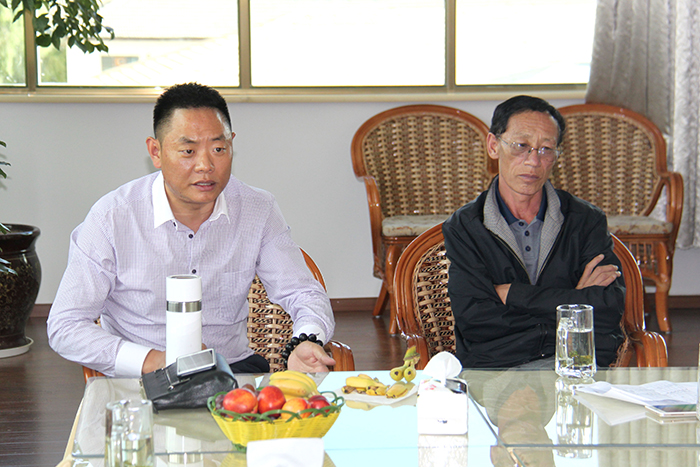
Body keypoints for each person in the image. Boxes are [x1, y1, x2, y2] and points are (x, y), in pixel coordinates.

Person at [47, 82, 335, 377]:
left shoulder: (258, 209)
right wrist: (155, 360)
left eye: (219, 149)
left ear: (232, 144)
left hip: (231, 372)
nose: (205, 165)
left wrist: (307, 339)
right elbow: (65, 326)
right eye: (188, 150)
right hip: (143, 376)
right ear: (156, 152)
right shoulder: (112, 218)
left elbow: (303, 292)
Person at [442, 95, 625, 369]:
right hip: (499, 368)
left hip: (575, 364)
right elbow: (476, 321)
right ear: (493, 145)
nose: (533, 161)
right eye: (521, 146)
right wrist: (573, 301)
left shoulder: (586, 220)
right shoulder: (466, 226)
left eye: (546, 149)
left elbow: (608, 309)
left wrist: (512, 295)